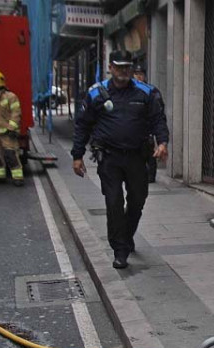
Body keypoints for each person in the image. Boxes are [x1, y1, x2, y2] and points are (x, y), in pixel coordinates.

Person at [71, 50, 169, 269]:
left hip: (136, 157)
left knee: (137, 199)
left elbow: (158, 120)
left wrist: (162, 143)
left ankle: (126, 234)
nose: (124, 71)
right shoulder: (96, 94)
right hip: (110, 158)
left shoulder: (147, 92)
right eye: (119, 67)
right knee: (114, 202)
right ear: (111, 68)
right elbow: (82, 125)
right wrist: (77, 156)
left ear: (132, 69)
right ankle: (120, 250)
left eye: (127, 67)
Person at [132, 64, 160, 184]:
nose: (139, 77)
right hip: (134, 129)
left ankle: (151, 176)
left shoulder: (151, 90)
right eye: (136, 74)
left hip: (147, 128)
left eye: (141, 75)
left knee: (150, 154)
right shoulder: (129, 91)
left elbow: (159, 110)